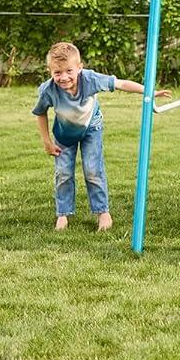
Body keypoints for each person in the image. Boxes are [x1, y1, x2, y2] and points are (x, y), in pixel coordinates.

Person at [32, 41, 164, 232]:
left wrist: (149, 91)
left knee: (93, 170)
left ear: (79, 67)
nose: (64, 77)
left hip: (91, 130)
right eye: (57, 73)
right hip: (64, 134)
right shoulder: (48, 90)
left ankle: (103, 212)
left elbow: (120, 83)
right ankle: (63, 214)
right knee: (63, 174)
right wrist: (46, 142)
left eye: (69, 71)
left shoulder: (90, 79)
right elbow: (40, 113)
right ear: (50, 71)